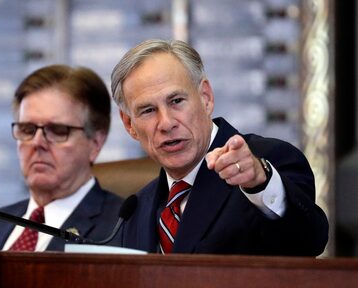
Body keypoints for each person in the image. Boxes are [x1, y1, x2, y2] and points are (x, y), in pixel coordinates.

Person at [110, 39, 329, 256]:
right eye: (148, 110)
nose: (166, 123)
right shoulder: (135, 210)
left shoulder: (269, 164)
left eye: (176, 101)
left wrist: (259, 184)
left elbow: (308, 242)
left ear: (206, 98)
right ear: (130, 124)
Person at [0, 64, 123, 251]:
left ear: (96, 143)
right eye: (27, 130)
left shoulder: (125, 230)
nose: (37, 143)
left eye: (58, 131)